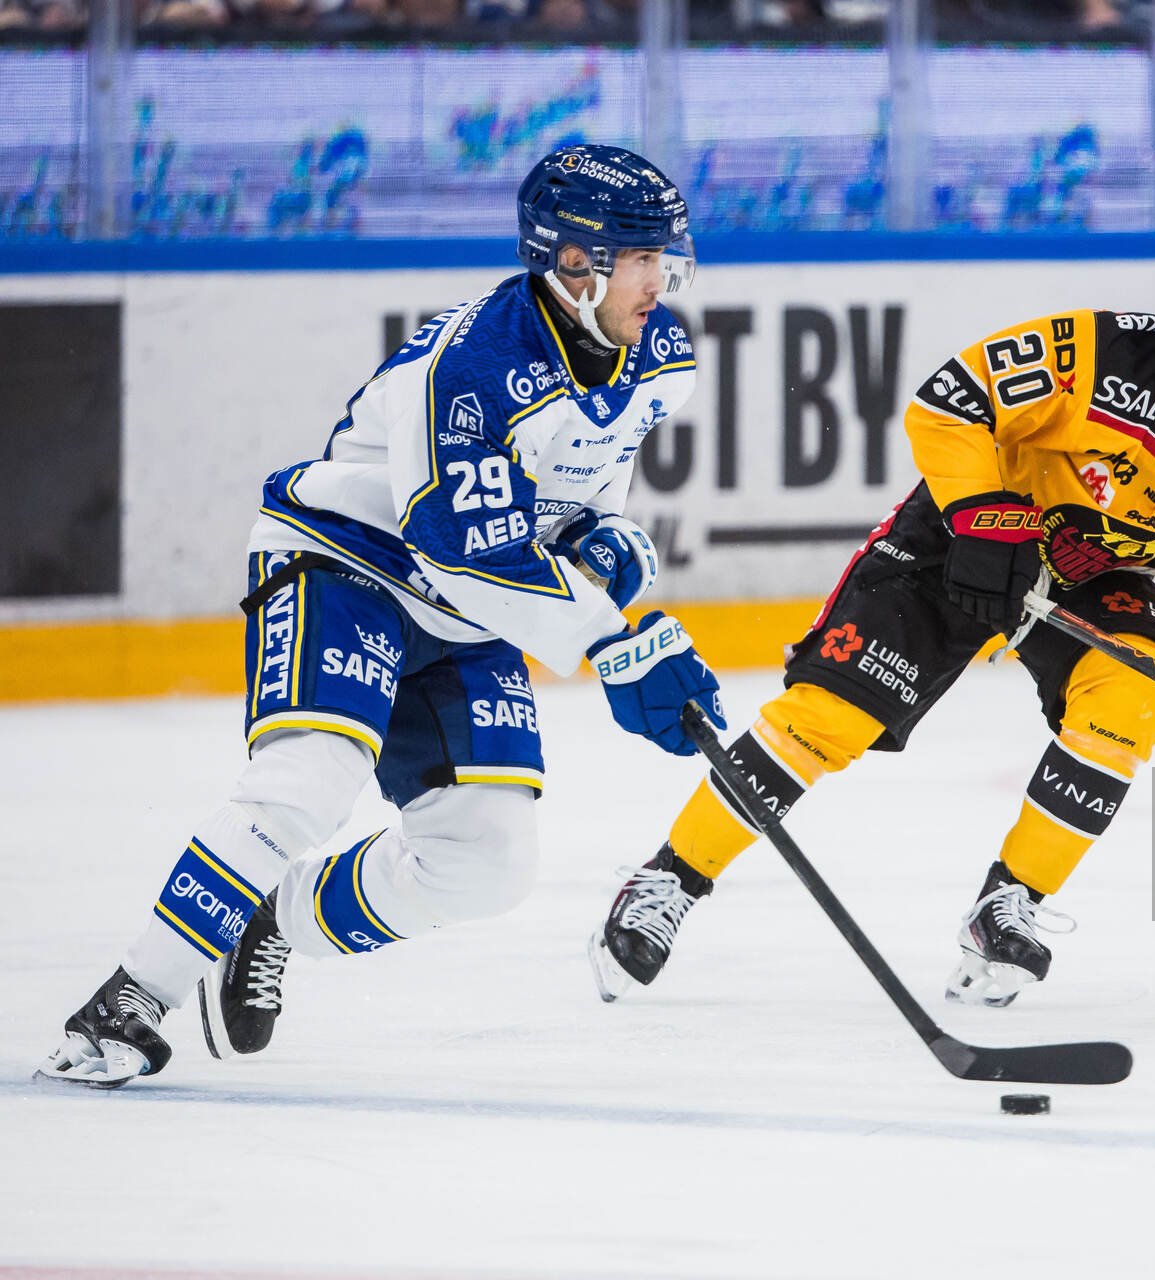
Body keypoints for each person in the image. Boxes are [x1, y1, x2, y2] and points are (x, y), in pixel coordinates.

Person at [36, 144, 725, 1088]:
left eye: (664, 257)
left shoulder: (659, 356)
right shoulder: (474, 365)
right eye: (639, 258)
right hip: (347, 563)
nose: (660, 279)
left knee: (485, 862)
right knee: (307, 782)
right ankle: (129, 999)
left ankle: (268, 918)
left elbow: (570, 494)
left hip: (461, 609)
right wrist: (610, 641)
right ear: (572, 263)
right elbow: (462, 549)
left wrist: (599, 537)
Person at [588, 232, 1155, 1008]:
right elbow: (953, 398)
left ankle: (1009, 904)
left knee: (1134, 693)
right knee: (827, 718)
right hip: (960, 541)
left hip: (1093, 577)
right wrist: (987, 515)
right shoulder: (1104, 349)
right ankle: (668, 881)